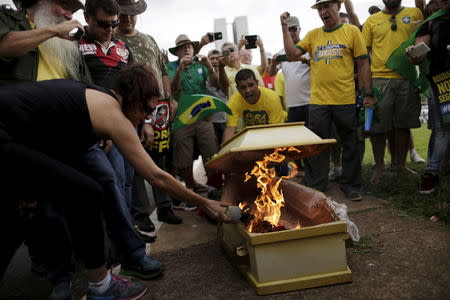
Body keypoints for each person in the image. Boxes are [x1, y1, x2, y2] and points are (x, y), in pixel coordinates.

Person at [0, 64, 230, 299]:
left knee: (50, 204)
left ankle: (110, 268)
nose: (148, 117)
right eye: (147, 109)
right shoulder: (111, 111)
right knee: (87, 193)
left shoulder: (97, 100)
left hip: (20, 137)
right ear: (131, 98)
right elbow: (156, 176)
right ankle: (100, 285)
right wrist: (203, 202)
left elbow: (51, 136)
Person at [281, 0, 375, 201]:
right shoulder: (313, 35)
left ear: (337, 7)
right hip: (319, 102)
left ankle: (351, 185)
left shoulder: (351, 32)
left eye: (327, 6)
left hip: (345, 99)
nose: (324, 12)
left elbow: (363, 63)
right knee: (318, 146)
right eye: (320, 8)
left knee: (350, 143)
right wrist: (284, 27)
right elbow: (291, 55)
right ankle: (318, 185)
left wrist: (367, 93)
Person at [115, 0, 182, 228]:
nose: (128, 18)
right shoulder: (115, 41)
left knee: (160, 160)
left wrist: (169, 98)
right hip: (132, 110)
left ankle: (165, 207)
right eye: (123, 14)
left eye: (132, 14)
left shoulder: (149, 39)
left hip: (159, 108)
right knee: (135, 161)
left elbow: (163, 70)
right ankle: (141, 214)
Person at [362, 0, 424, 184]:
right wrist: (368, 86)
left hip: (407, 77)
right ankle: (379, 167)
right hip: (380, 80)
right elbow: (365, 55)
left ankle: (401, 165)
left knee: (403, 126)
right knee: (377, 129)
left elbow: (422, 44)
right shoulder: (372, 21)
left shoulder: (415, 14)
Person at [167, 34, 220, 199]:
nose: (187, 48)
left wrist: (210, 67)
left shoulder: (201, 64)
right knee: (184, 157)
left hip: (203, 117)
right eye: (182, 47)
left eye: (189, 46)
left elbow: (217, 85)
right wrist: (179, 70)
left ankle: (215, 188)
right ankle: (190, 190)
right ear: (177, 52)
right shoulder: (170, 66)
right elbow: (172, 90)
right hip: (182, 119)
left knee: (211, 153)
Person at [405, 0, 450, 193]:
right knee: (442, 129)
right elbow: (419, 54)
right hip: (442, 81)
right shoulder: (431, 23)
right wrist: (413, 54)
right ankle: (432, 172)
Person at [0, 0, 90, 85]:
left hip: (66, 98)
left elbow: (86, 82)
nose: (70, 16)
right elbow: (3, 46)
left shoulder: (72, 43)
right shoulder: (7, 18)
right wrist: (54, 31)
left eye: (73, 11)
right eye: (65, 6)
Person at [222, 69, 287, 143]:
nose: (248, 90)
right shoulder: (234, 101)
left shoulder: (272, 98)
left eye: (250, 85)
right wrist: (223, 151)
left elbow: (276, 130)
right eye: (243, 87)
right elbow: (230, 128)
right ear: (238, 89)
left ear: (256, 83)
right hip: (252, 133)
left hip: (277, 127)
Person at [268, 16, 310, 124]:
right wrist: (273, 63)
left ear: (300, 29)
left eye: (294, 29)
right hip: (292, 105)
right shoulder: (282, 52)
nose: (291, 33)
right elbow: (271, 73)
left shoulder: (309, 48)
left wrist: (302, 59)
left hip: (311, 102)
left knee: (315, 138)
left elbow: (318, 67)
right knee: (295, 140)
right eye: (288, 29)